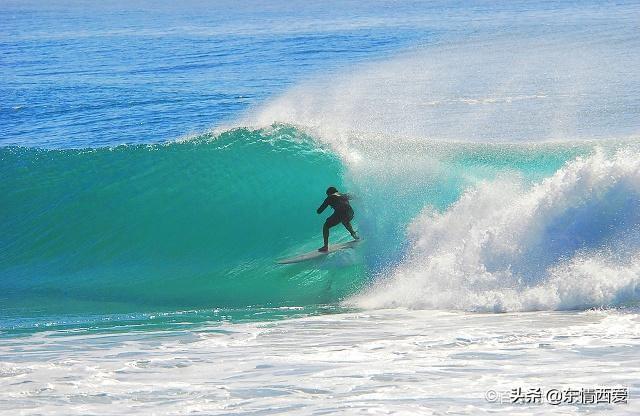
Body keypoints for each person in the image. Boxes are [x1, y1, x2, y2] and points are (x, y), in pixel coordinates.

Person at [316, 186, 359, 252]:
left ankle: (325, 246)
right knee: (345, 221)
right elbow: (356, 197)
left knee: (326, 225)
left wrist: (319, 209)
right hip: (350, 212)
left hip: (341, 213)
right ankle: (355, 235)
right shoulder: (344, 195)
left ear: (329, 193)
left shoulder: (330, 197)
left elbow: (319, 211)